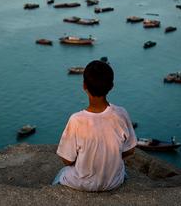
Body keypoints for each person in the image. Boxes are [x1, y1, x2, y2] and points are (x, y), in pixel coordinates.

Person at [53, 60, 137, 191]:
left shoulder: (76, 120)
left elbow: (67, 160)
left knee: (61, 174)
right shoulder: (121, 114)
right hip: (114, 182)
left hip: (82, 183)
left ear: (84, 86)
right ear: (111, 86)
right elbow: (130, 150)